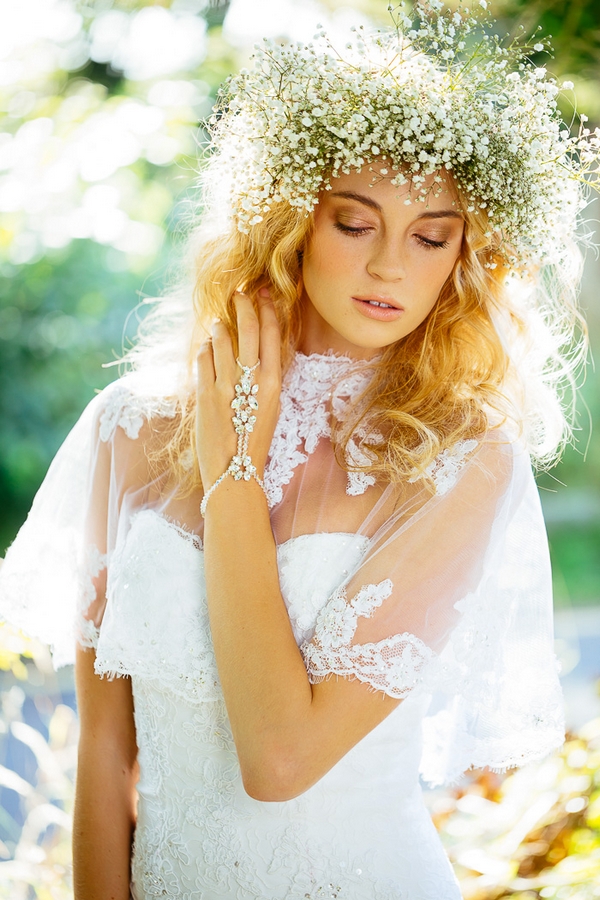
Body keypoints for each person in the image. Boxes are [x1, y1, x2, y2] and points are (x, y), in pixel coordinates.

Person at [0, 3, 597, 898]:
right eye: (355, 223)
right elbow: (105, 755)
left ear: (463, 258)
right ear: (291, 220)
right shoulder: (131, 427)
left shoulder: (463, 462)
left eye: (431, 235)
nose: (391, 266)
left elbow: (278, 762)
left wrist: (234, 474)